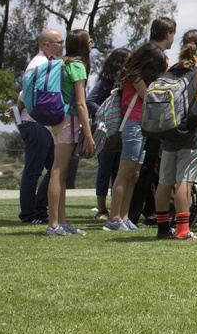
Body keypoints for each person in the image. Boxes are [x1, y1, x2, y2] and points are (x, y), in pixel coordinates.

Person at [154, 30, 197, 242]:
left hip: (169, 130)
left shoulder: (172, 70)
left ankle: (163, 229)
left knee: (165, 181)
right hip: (192, 132)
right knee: (185, 181)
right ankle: (182, 231)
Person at [105, 42, 168, 232]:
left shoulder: (140, 75)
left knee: (134, 175)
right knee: (124, 173)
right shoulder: (136, 76)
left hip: (142, 126)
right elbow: (149, 97)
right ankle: (114, 217)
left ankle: (124, 217)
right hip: (133, 125)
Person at [43, 29, 94, 235]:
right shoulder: (78, 66)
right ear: (83, 44)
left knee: (60, 173)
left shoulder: (62, 63)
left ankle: (61, 221)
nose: (91, 44)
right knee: (58, 171)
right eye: (90, 41)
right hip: (69, 120)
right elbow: (81, 104)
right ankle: (53, 224)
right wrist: (89, 136)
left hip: (56, 120)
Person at [128, 17, 177, 226]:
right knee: (146, 167)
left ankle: (149, 211)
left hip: (149, 117)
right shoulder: (154, 53)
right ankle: (132, 213)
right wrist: (149, 96)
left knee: (151, 167)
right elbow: (134, 74)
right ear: (168, 34)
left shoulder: (147, 50)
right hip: (148, 118)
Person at [16, 29, 63, 224]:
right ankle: (29, 214)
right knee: (34, 170)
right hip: (35, 124)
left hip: (37, 124)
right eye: (59, 42)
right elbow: (24, 94)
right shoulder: (40, 64)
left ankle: (39, 209)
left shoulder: (43, 63)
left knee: (55, 168)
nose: (62, 45)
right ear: (47, 45)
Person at [85, 47, 131, 222]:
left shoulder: (125, 81)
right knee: (104, 169)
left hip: (120, 131)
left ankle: (116, 209)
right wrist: (104, 113)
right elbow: (89, 100)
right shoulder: (106, 81)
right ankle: (101, 208)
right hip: (105, 131)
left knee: (117, 170)